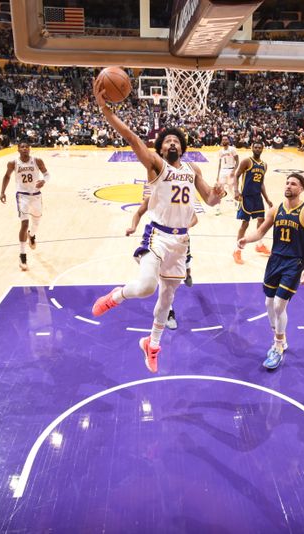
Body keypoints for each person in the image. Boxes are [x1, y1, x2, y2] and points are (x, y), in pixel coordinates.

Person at [91, 77, 225, 373]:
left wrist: (217, 194)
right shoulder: (156, 165)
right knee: (147, 286)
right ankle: (115, 296)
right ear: (161, 149)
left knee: (166, 300)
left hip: (182, 242)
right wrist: (107, 112)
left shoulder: (193, 169)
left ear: (183, 147)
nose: (173, 142)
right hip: (158, 235)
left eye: (177, 140)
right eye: (168, 141)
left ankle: (151, 345)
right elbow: (132, 139)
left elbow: (211, 201)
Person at [238, 172, 304, 370]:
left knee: (279, 305)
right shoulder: (275, 209)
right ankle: (280, 335)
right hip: (275, 260)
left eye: (293, 184)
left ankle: (278, 345)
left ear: (301, 189)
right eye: (287, 182)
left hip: (294, 262)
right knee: (268, 303)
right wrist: (247, 239)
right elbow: (261, 231)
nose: (289, 186)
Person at [126, 197, 197, 330]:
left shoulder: (182, 197)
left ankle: (188, 274)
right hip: (159, 241)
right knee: (163, 280)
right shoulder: (155, 196)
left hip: (180, 239)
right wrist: (133, 227)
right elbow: (138, 213)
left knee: (186, 262)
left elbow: (195, 218)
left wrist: (186, 226)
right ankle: (169, 313)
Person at [0, 142, 50, 271]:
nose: (24, 149)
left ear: (29, 149)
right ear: (18, 149)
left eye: (26, 147)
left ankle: (32, 236)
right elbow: (7, 176)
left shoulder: (37, 160)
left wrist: (44, 181)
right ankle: (22, 254)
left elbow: (47, 174)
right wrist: (2, 192)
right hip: (22, 196)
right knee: (24, 224)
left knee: (36, 223)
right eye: (22, 147)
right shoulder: (13, 163)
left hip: (36, 195)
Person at [233, 140, 273, 264]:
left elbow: (261, 184)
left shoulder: (264, 165)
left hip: (257, 197)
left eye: (259, 147)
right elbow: (236, 175)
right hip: (246, 197)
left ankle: (259, 245)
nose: (257, 149)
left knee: (261, 221)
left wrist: (267, 199)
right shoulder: (247, 161)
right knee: (245, 224)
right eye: (255, 147)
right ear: (252, 148)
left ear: (262, 149)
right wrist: (236, 191)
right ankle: (237, 251)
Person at [215, 135, 239, 214]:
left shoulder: (233, 149)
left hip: (231, 170)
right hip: (222, 171)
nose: (224, 141)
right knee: (220, 190)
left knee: (231, 189)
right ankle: (218, 208)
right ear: (222, 141)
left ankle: (236, 203)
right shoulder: (220, 151)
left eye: (226, 139)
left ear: (228, 141)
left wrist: (234, 171)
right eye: (223, 140)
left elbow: (237, 161)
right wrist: (218, 175)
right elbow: (219, 164)